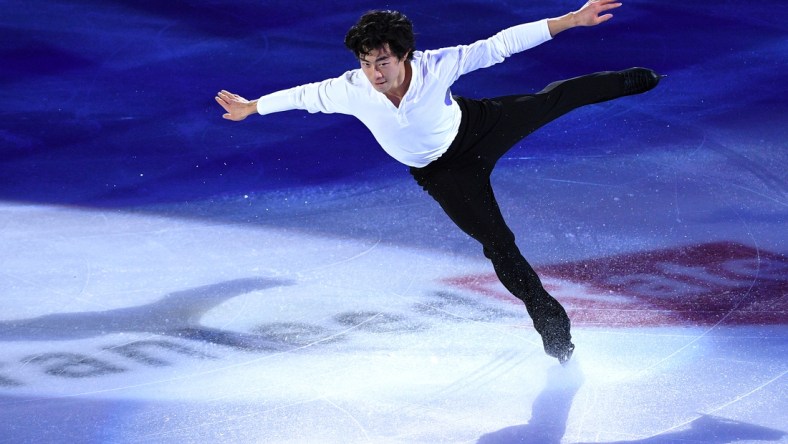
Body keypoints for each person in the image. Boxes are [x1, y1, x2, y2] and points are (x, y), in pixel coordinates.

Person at [215, 0, 661, 364]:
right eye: (367, 63)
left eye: (383, 61)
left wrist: (570, 20)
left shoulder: (436, 65)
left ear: (403, 55)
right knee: (498, 244)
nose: (375, 73)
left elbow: (497, 46)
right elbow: (303, 96)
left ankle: (631, 80)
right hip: (443, 173)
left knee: (552, 99)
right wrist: (252, 108)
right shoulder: (349, 89)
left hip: (477, 127)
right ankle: (550, 323)